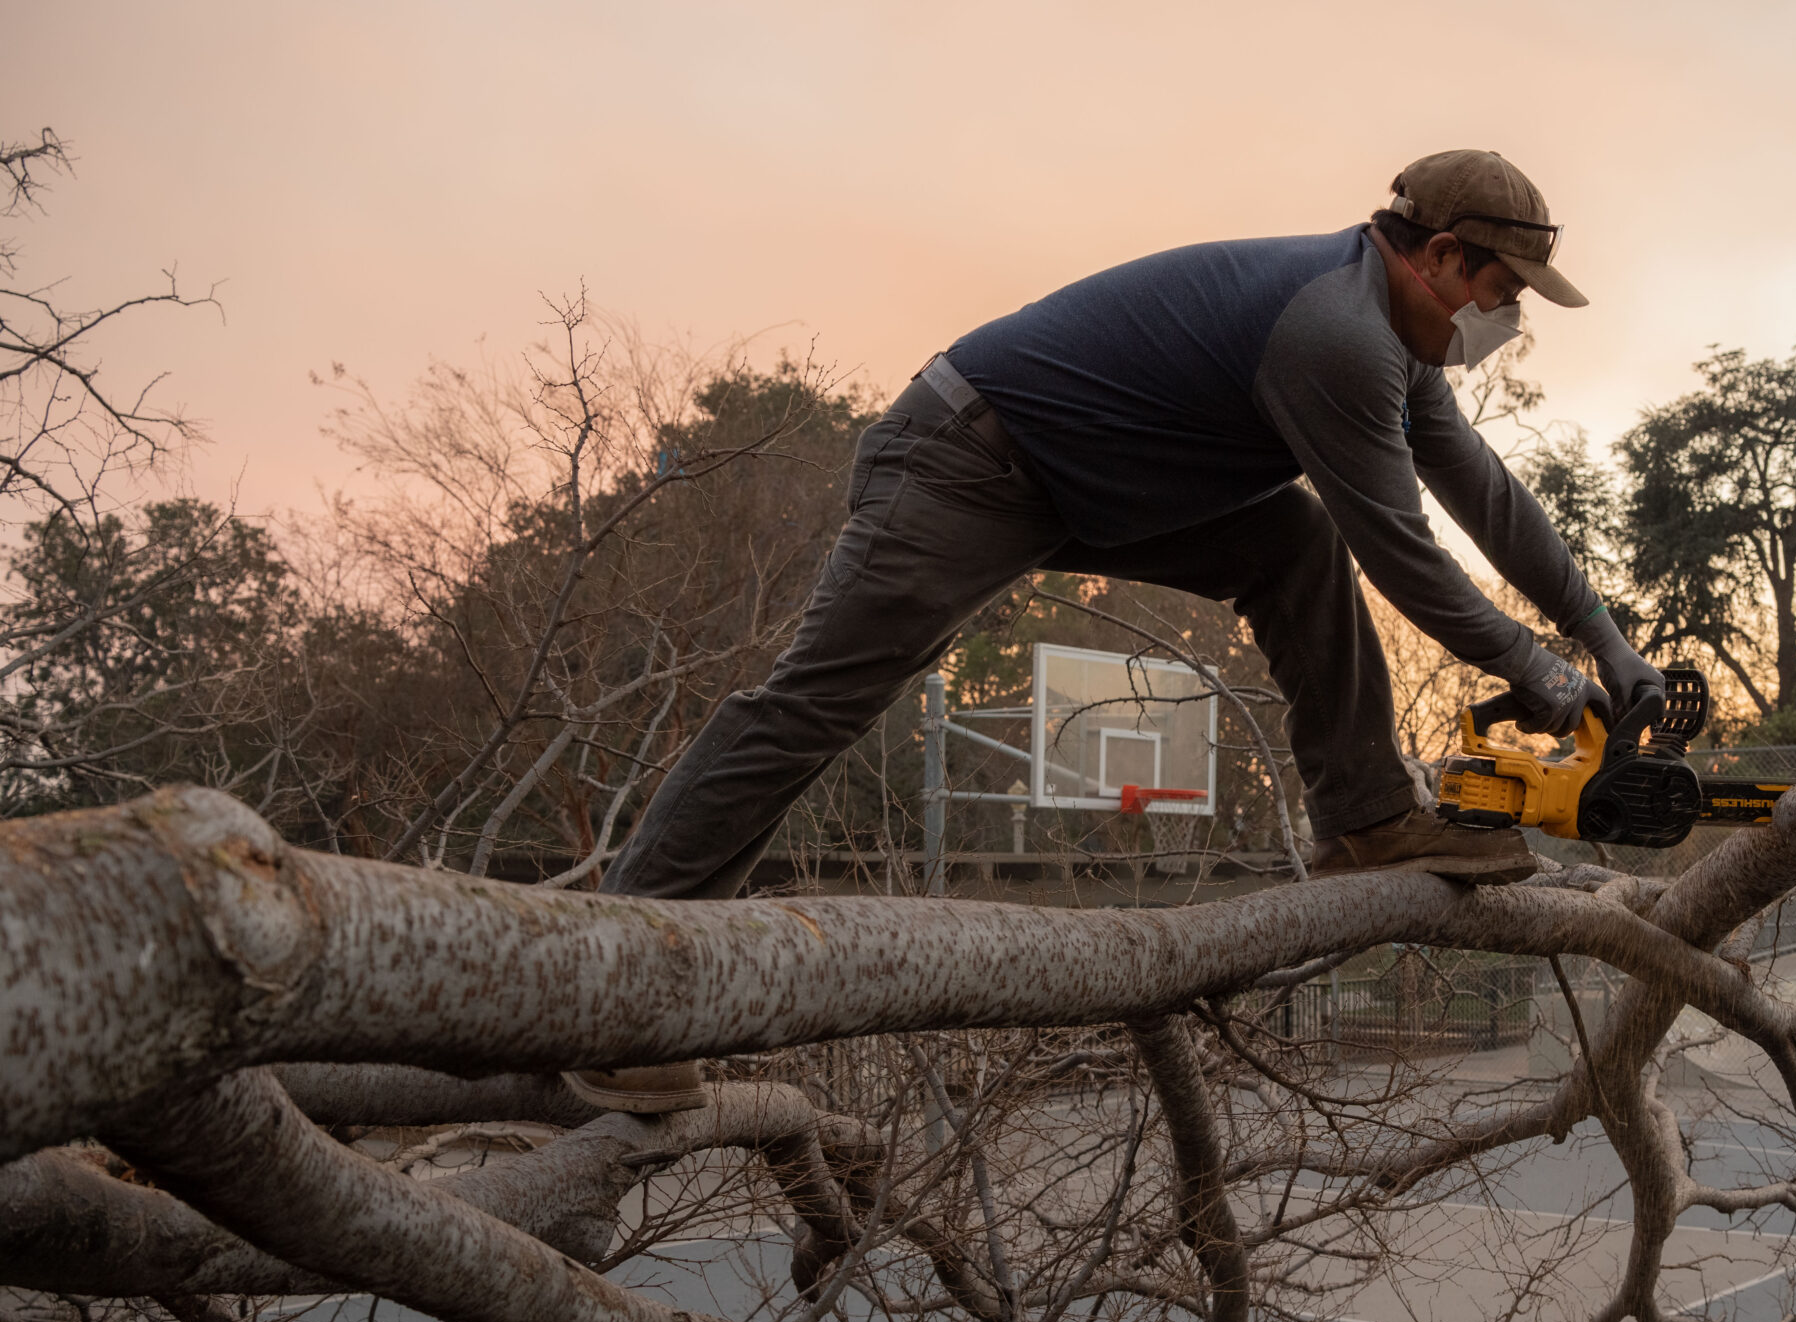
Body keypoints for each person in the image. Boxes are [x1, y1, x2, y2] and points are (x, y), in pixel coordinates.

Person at [568, 149, 1665, 1112]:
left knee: (1291, 542)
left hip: (1077, 484)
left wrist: (1601, 638)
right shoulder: (1336, 334)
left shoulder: (1395, 339)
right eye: (1502, 289)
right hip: (964, 461)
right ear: (1435, 257)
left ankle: (1369, 817)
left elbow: (1487, 498)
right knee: (814, 707)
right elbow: (1404, 549)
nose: (1505, 319)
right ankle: (618, 996)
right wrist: (1536, 671)